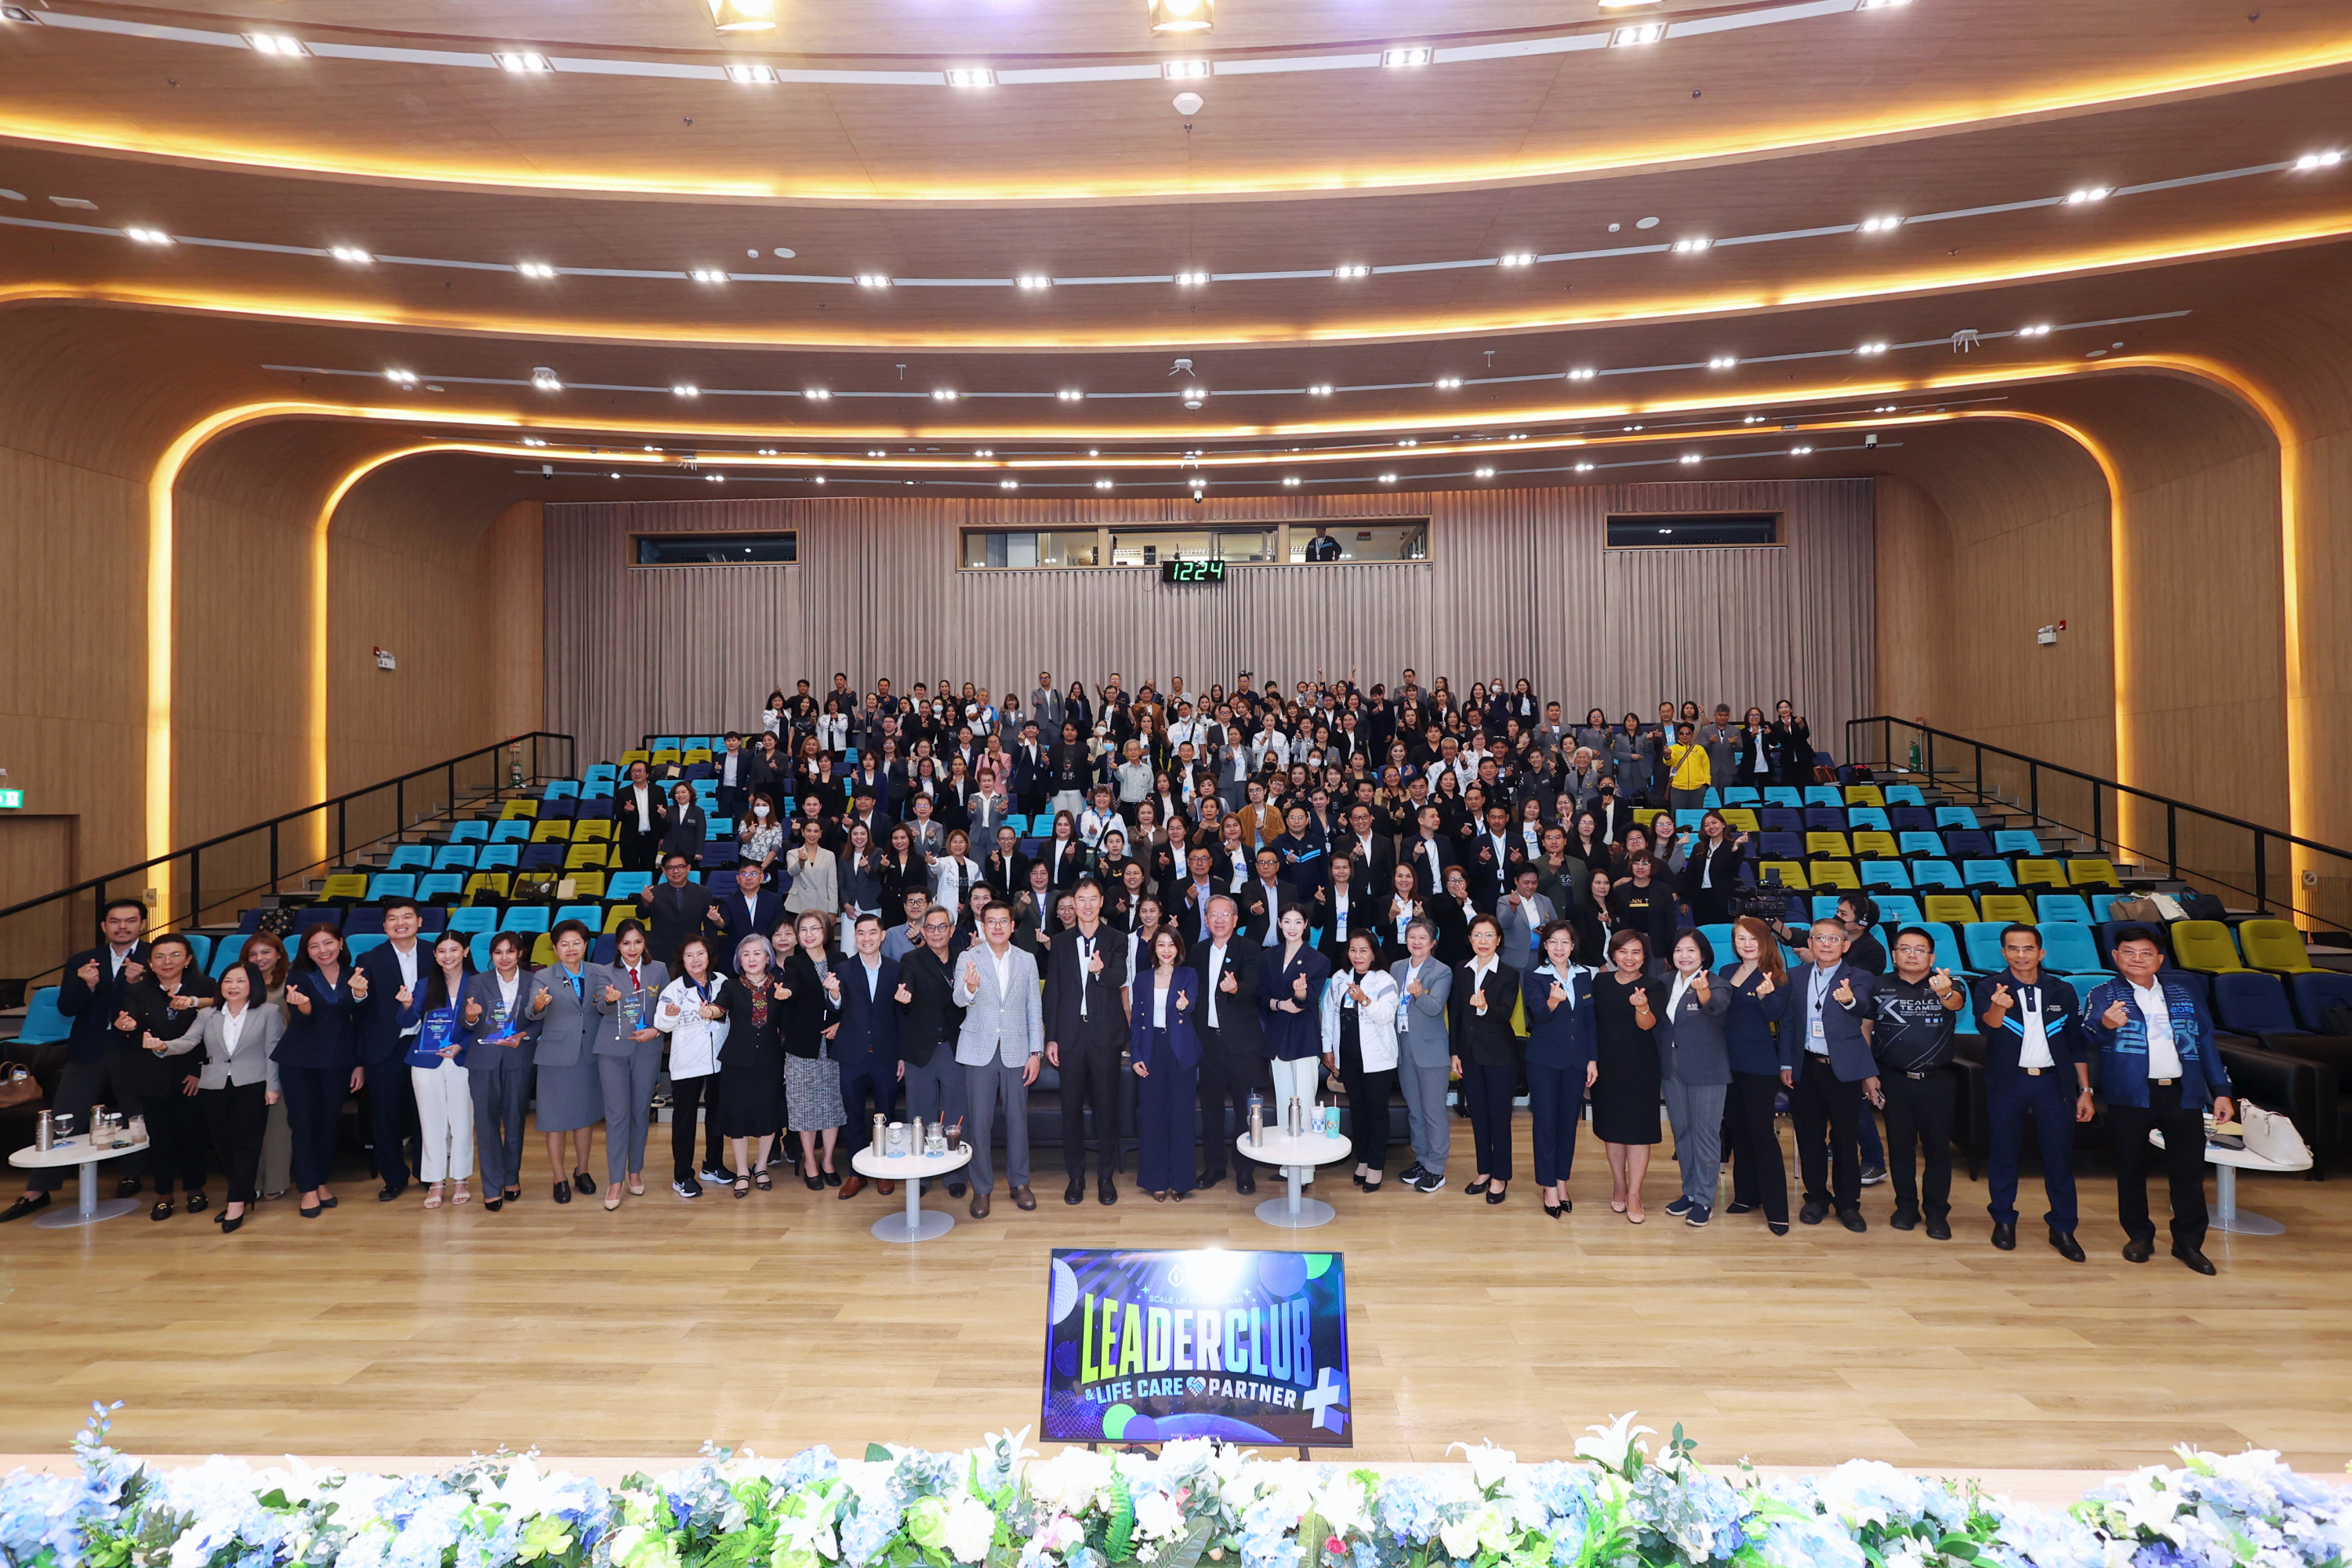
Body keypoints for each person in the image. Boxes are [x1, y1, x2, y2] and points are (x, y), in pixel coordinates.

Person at [2078, 924, 2234, 1274]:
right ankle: (2139, 1236)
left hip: (2182, 1092)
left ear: (2160, 959)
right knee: (2131, 1168)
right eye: (2129, 952)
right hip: (2129, 1095)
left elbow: (2206, 1044)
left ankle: (2189, 1243)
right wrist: (2106, 1024)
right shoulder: (2103, 993)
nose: (2137, 959)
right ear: (2115, 956)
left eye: (2146, 953)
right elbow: (2086, 1034)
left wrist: (2221, 1091)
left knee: (2188, 1171)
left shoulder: (2183, 994)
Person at [6, 898, 151, 1221]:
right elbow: (66, 1008)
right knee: (65, 1116)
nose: (122, 927)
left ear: (142, 924)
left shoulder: (155, 956)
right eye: (115, 921)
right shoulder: (82, 960)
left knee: (136, 1114)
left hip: (135, 1048)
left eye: (130, 921)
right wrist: (87, 985)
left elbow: (163, 1003)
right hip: (89, 1048)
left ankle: (132, 1174)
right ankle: (39, 1189)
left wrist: (140, 983)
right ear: (104, 926)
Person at [1969, 924, 2092, 1261]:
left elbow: (2075, 1043)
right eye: (2013, 949)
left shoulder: (2062, 990)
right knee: (2004, 1153)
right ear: (2003, 953)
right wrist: (1998, 1005)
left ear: (2041, 953)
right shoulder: (1989, 986)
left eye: (2028, 949)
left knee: (2059, 1157)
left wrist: (2085, 1090)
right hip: (2008, 1082)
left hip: (2053, 1083)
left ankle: (2063, 1227)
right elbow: (1987, 1028)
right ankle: (2004, 1220)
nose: (2021, 955)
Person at [1867, 927, 1966, 1240]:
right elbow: (1865, 1027)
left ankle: (1937, 1212)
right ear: (1894, 955)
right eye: (1905, 949)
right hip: (1893, 1079)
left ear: (1931, 957)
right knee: (1900, 1147)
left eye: (1920, 950)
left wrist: (1944, 992)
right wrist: (1867, 1073)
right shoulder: (1878, 985)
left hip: (1938, 1081)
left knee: (1937, 1149)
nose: (1912, 955)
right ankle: (1906, 1207)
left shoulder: (1948, 983)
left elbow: (1956, 1004)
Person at [951, 903, 1045, 1218]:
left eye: (1003, 921)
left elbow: (1034, 1009)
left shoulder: (1027, 960)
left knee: (1017, 1120)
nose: (997, 927)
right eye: (991, 921)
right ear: (982, 925)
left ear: (1012, 925)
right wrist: (970, 988)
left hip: (1017, 1050)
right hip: (979, 1050)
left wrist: (1036, 1053)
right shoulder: (968, 958)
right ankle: (981, 1189)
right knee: (980, 1123)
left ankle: (1020, 1183)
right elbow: (958, 999)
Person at [1043, 878, 1131, 1206]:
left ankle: (1106, 1177)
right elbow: (1052, 991)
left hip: (1105, 1036)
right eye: (1082, 899)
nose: (1088, 905)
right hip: (1070, 1036)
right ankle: (1076, 1177)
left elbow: (1120, 977)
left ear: (1101, 902)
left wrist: (1099, 972)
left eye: (1093, 899)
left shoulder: (1117, 938)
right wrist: (1051, 1037)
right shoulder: (1060, 942)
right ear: (1074, 904)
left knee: (1107, 1109)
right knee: (1071, 1110)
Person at [1788, 918, 1879, 1232]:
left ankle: (1848, 1203)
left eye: (1833, 939)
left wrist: (1849, 1000)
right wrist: (1786, 1065)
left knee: (1845, 1138)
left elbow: (1863, 1006)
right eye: (1820, 938)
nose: (1826, 944)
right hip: (1806, 1067)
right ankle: (1816, 1198)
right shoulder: (1795, 976)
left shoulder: (1860, 977)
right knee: (1809, 1136)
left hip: (1843, 1069)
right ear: (1810, 943)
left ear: (1846, 945)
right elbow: (1789, 1025)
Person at [117, 933, 218, 1219]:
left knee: (192, 1135)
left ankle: (195, 1189)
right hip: (152, 1074)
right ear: (150, 962)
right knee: (159, 1138)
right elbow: (130, 1024)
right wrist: (126, 1026)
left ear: (188, 959)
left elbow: (215, 1032)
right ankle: (164, 1194)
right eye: (159, 957)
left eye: (175, 955)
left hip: (191, 1074)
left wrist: (199, 1071)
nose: (167, 962)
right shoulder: (138, 989)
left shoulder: (205, 987)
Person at [191, 960, 282, 1234]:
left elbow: (272, 1051)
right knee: (222, 1145)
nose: (233, 986)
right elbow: (189, 1041)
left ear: (253, 985)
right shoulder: (208, 1014)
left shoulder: (268, 1012)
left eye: (241, 981)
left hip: (252, 1084)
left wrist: (273, 1086)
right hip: (213, 1085)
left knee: (246, 1145)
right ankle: (243, 1191)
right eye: (228, 981)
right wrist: (161, 1046)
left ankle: (236, 1203)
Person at [276, 924, 361, 1219]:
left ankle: (321, 1181)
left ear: (340, 943)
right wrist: (304, 1007)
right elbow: (301, 1021)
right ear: (307, 951)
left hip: (339, 1061)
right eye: (314, 946)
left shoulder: (355, 975)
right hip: (300, 1061)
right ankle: (308, 1188)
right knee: (304, 1123)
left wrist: (359, 1063)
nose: (322, 951)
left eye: (328, 943)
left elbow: (360, 1020)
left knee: (328, 1123)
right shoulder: (299, 976)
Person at [1719, 916, 1794, 1235]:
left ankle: (1777, 1210)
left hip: (1759, 1066)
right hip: (1727, 1064)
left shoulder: (1777, 976)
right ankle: (1746, 1196)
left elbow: (1776, 1015)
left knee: (1762, 1135)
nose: (1747, 944)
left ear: (1765, 942)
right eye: (1741, 939)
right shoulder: (1726, 972)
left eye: (1753, 938)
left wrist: (1765, 995)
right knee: (1738, 1132)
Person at [348, 898, 427, 1202]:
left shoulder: (436, 953)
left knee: (427, 1114)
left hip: (426, 1046)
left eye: (407, 917)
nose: (400, 923)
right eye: (393, 918)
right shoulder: (369, 958)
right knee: (386, 1116)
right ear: (384, 926)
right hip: (385, 1049)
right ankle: (394, 1177)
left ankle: (428, 1172)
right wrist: (358, 993)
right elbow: (360, 1008)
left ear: (419, 922)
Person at [1191, 894, 1269, 1196]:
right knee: (1210, 1109)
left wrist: (1236, 989)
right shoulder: (1197, 952)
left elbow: (1253, 986)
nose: (1220, 920)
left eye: (1225, 914)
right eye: (1214, 915)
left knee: (1244, 1111)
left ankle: (1245, 1170)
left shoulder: (1249, 949)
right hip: (1208, 1043)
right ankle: (1214, 1167)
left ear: (1236, 920)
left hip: (1242, 1045)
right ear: (1206, 920)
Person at [523, 920, 604, 1204]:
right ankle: (559, 1177)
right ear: (555, 949)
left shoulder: (598, 972)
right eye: (564, 944)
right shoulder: (544, 976)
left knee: (584, 1118)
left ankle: (582, 1171)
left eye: (576, 943)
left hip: (589, 1054)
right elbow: (531, 1012)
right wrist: (539, 1005)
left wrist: (611, 1001)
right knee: (555, 1120)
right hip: (555, 1057)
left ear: (585, 945)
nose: (571, 948)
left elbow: (605, 1006)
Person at [1654, 929, 1732, 1227]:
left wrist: (1703, 992)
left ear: (1703, 955)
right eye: (1678, 950)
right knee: (1682, 1133)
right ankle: (1689, 1192)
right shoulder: (1664, 982)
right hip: (1672, 1067)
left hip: (1707, 1069)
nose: (1684, 956)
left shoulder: (1717, 983)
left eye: (1691, 950)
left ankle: (1705, 1199)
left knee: (1706, 1134)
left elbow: (1715, 1008)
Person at [590, 919, 668, 1208]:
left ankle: (635, 1171)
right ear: (617, 945)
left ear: (644, 942)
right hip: (612, 1051)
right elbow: (601, 1006)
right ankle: (615, 1180)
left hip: (647, 1049)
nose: (632, 948)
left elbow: (666, 1008)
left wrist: (657, 1029)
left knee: (639, 1113)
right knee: (617, 1116)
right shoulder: (603, 971)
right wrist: (610, 1001)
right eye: (626, 943)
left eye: (637, 942)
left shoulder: (658, 969)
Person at [1520, 921, 1596, 1218]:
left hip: (1576, 1061)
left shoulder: (1584, 975)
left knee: (1568, 1124)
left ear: (1573, 946)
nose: (1559, 948)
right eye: (1553, 942)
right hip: (1544, 1061)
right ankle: (1548, 1186)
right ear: (1545, 946)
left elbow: (1589, 1022)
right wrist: (1552, 1002)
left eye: (1565, 942)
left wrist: (1592, 1059)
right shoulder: (1534, 976)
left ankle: (1562, 1181)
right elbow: (1537, 1016)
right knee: (1545, 1124)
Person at [397, 931, 475, 1210]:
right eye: (442, 951)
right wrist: (406, 1005)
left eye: (453, 950)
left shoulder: (478, 983)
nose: (447, 956)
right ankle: (435, 1181)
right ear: (435, 955)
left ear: (465, 951)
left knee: (462, 1123)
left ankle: (461, 1179)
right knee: (431, 1124)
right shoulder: (425, 984)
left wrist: (461, 1046)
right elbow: (407, 1021)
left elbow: (485, 1025)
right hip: (426, 1062)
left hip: (462, 1060)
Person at [1588, 930, 1663, 1222]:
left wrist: (1641, 1007)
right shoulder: (1600, 982)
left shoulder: (1653, 985)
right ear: (1613, 954)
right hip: (1607, 1067)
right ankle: (1619, 1185)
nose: (1629, 958)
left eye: (1636, 952)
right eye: (1623, 951)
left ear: (1644, 956)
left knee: (1638, 1131)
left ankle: (1635, 1193)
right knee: (1613, 1129)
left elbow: (1648, 1025)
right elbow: (1591, 1023)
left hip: (1641, 1067)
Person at [895, 903, 969, 1197]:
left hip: (954, 1047)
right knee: (921, 1115)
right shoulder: (911, 959)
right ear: (923, 932)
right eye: (931, 928)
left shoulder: (964, 959)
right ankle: (921, 1176)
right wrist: (904, 997)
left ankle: (955, 1174)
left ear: (952, 930)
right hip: (921, 1049)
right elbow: (907, 987)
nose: (937, 933)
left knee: (956, 1113)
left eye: (942, 927)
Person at [652, 935, 730, 1198]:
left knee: (717, 1116)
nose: (696, 960)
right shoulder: (674, 989)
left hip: (719, 1061)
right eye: (689, 955)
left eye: (700, 954)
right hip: (687, 1064)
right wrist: (669, 1016)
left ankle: (713, 1165)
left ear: (709, 957)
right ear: (682, 961)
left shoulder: (722, 982)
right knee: (685, 1121)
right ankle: (682, 1175)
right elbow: (661, 1024)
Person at [463, 931, 537, 1209]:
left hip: (518, 1057)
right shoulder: (477, 981)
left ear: (520, 953)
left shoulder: (532, 981)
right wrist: (471, 1017)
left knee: (515, 1122)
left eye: (510, 951)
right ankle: (491, 1187)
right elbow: (467, 1022)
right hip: (484, 1060)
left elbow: (541, 1019)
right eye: (498, 952)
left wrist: (524, 1035)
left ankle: (511, 1178)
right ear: (491, 956)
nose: (504, 957)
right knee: (486, 1125)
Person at [1322, 931, 1400, 1191]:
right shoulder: (1339, 978)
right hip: (1348, 1057)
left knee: (1376, 1111)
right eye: (1353, 950)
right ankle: (1363, 1160)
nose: (1357, 956)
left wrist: (1364, 999)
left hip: (1378, 1059)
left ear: (1374, 953)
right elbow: (1329, 1013)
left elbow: (1386, 1016)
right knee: (1357, 1109)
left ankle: (1376, 1165)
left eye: (1364, 950)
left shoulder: (1385, 980)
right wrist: (1328, 1048)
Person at [1126, 927, 1200, 1203]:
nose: (1166, 950)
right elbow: (1136, 1020)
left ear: (1178, 948)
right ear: (1154, 949)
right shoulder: (1142, 979)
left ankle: (1181, 1181)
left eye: (1171, 944)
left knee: (1182, 1117)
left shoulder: (1188, 974)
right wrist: (1136, 1054)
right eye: (1161, 945)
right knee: (1152, 1116)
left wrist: (1184, 1004)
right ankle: (1155, 1180)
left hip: (1180, 1050)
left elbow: (1190, 1004)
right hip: (1151, 1048)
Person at [832, 913, 902, 1200]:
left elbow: (901, 1014)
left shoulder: (896, 969)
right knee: (854, 1115)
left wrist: (902, 1055)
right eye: (860, 933)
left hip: (886, 1054)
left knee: (886, 1114)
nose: (866, 938)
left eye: (872, 932)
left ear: (882, 935)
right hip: (852, 1054)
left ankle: (885, 1171)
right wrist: (834, 995)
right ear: (855, 937)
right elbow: (835, 1007)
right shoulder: (843, 969)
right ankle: (857, 1173)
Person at [712, 934, 786, 1196]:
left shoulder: (780, 985)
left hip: (770, 1060)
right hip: (737, 1061)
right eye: (746, 954)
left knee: (768, 1115)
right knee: (738, 1117)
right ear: (739, 960)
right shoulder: (731, 986)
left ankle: (761, 1166)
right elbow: (720, 1007)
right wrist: (711, 1011)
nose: (752, 959)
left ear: (768, 958)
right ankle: (743, 1170)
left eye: (757, 953)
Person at [779, 910, 848, 1189]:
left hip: (833, 1046)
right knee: (804, 1107)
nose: (809, 935)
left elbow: (849, 1000)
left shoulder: (840, 960)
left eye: (814, 929)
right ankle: (809, 1162)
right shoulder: (794, 963)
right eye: (803, 930)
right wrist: (786, 993)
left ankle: (828, 1160)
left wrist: (841, 1023)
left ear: (825, 932)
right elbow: (792, 986)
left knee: (832, 1105)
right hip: (802, 1047)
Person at [1451, 913, 1517, 1204]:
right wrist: (1454, 1052)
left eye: (1489, 935)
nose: (1483, 941)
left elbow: (1505, 1013)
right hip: (1469, 1055)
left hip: (1499, 1056)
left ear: (1499, 940)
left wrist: (1485, 1007)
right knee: (1478, 1116)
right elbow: (1455, 1013)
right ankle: (1484, 1171)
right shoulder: (1461, 969)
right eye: (1477, 935)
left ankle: (1500, 1176)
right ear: (1469, 939)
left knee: (1499, 1118)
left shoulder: (1509, 973)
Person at [1389, 917, 1454, 1195]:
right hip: (1403, 1047)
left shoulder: (1442, 971)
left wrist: (1418, 995)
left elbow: (1435, 1007)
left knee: (1433, 1112)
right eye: (1412, 937)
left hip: (1431, 1052)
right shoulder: (1396, 967)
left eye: (1422, 938)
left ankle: (1436, 1168)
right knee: (1415, 1111)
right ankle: (1421, 1160)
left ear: (1432, 943)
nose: (1416, 942)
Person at [1261, 905, 1332, 1134]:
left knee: (1304, 1102)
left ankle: (1306, 1158)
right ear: (1279, 923)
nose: (1292, 927)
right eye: (1287, 921)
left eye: (1298, 922)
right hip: (1277, 1036)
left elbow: (1309, 999)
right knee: (1284, 1103)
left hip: (1303, 1038)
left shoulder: (1318, 960)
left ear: (1306, 925)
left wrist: (1300, 994)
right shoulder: (1268, 956)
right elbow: (1260, 995)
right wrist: (1279, 1004)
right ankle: (1285, 1156)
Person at [236, 931, 295, 1201]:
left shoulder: (291, 982)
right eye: (253, 954)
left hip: (278, 1060)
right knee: (247, 1126)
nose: (259, 958)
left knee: (276, 1127)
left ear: (279, 954)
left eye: (265, 952)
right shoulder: (240, 982)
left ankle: (275, 1182)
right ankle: (252, 1182)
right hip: (244, 1061)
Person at [637, 852, 719, 963]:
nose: (676, 871)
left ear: (688, 868)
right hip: (659, 952)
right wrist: (645, 902)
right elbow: (641, 915)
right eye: (670, 868)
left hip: (692, 952)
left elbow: (709, 926)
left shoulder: (703, 892)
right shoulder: (653, 892)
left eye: (680, 867)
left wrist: (711, 952)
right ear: (664, 870)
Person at [708, 861, 784, 972]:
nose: (748, 878)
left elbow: (780, 926)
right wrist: (717, 920)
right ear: (738, 879)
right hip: (736, 955)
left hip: (766, 955)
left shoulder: (775, 900)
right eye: (744, 874)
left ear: (762, 878)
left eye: (753, 874)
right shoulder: (728, 901)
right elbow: (724, 924)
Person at [1680, 811, 1746, 928]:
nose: (1711, 827)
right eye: (1707, 825)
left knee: (1725, 931)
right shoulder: (1698, 847)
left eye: (1714, 822)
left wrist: (1735, 847)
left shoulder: (1735, 846)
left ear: (1723, 824)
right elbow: (1690, 875)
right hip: (1701, 899)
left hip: (1725, 899)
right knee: (1704, 932)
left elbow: (1731, 866)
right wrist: (1684, 900)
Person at [1496, 864, 1555, 971]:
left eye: (1534, 883)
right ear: (1516, 881)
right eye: (1526, 883)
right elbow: (1503, 924)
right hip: (1514, 957)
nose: (1530, 886)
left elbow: (1556, 925)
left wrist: (1546, 932)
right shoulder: (1504, 900)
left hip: (1541, 956)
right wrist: (1512, 907)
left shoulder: (1545, 901)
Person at [614, 759, 666, 873]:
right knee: (630, 871)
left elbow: (664, 817)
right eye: (634, 771)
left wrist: (662, 836)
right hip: (629, 839)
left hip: (651, 839)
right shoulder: (623, 792)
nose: (637, 774)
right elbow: (618, 816)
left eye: (641, 771)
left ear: (647, 774)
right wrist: (626, 811)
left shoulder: (658, 791)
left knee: (649, 871)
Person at [782, 816, 838, 917]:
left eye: (816, 831)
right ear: (803, 832)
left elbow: (832, 885)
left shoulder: (829, 855)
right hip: (797, 905)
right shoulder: (793, 853)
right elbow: (792, 872)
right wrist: (801, 862)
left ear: (820, 834)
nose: (812, 834)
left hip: (821, 905)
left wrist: (833, 911)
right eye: (809, 831)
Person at [660, 779, 709, 866]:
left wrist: (699, 852)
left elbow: (701, 833)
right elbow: (664, 827)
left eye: (683, 792)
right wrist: (663, 815)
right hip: (670, 850)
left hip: (690, 851)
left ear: (690, 794)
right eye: (677, 793)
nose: (680, 795)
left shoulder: (698, 811)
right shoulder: (669, 810)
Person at [1665, 722, 1711, 811]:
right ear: (1678, 735)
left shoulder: (1700, 749)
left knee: (1697, 815)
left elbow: (1706, 767)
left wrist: (1706, 784)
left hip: (1698, 789)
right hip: (1678, 789)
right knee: (1677, 815)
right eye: (1682, 733)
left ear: (1692, 735)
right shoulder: (1673, 749)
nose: (1685, 735)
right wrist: (1667, 756)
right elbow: (1669, 762)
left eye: (1688, 733)